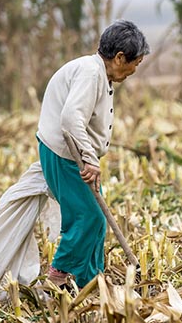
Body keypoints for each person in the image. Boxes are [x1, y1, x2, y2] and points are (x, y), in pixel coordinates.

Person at [37, 19, 149, 289]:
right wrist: (89, 158)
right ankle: (57, 277)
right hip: (65, 155)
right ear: (120, 57)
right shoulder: (91, 73)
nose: (135, 69)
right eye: (135, 63)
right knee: (88, 217)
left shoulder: (98, 72)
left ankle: (92, 280)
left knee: (95, 220)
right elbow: (71, 119)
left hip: (72, 154)